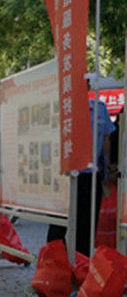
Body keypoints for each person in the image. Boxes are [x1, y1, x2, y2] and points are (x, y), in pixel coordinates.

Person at [46, 94, 115, 256]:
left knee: (86, 227)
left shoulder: (100, 108)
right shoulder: (60, 107)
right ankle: (55, 266)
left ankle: (81, 267)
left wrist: (108, 168)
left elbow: (106, 139)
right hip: (63, 177)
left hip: (89, 176)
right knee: (57, 225)